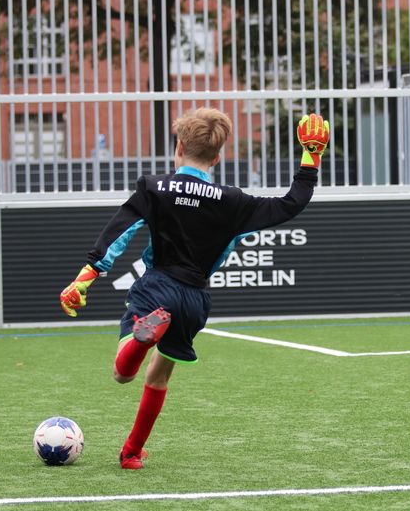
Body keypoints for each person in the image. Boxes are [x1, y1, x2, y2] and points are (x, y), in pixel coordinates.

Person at [58, 108, 330, 469]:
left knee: (123, 374)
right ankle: (132, 452)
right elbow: (290, 204)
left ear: (179, 146)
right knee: (161, 373)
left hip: (157, 288)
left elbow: (118, 233)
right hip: (194, 299)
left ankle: (139, 341)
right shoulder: (234, 201)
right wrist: (310, 158)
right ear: (217, 157)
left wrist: (84, 279)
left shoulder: (154, 188)